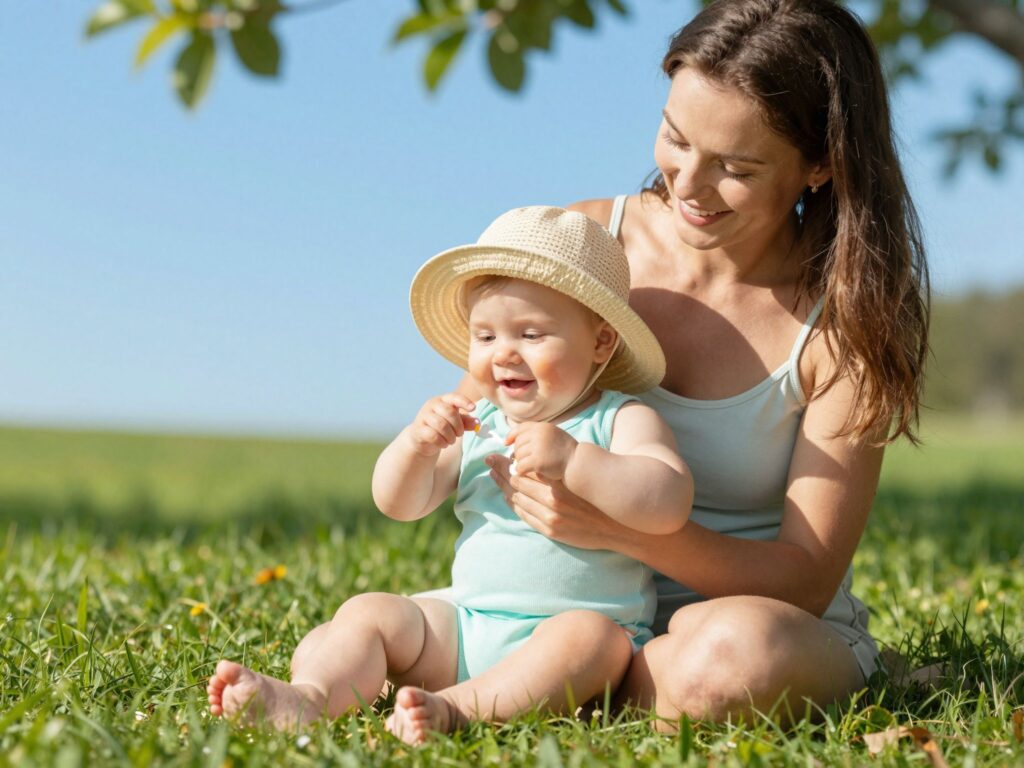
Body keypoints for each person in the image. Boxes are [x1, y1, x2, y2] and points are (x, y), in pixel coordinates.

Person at [458, 0, 929, 726]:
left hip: (751, 625)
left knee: (727, 664)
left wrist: (616, 529)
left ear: (818, 167)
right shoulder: (583, 243)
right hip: (564, 617)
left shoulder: (842, 327)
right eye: (675, 138)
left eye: (734, 167)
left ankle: (598, 683)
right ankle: (584, 675)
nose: (686, 184)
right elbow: (481, 407)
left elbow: (804, 580)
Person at [206, 206, 694, 741]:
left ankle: (456, 709)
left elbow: (668, 502)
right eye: (485, 337)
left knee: (593, 639)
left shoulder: (619, 419)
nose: (504, 353)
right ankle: (310, 697)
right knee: (370, 612)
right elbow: (399, 503)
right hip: (466, 625)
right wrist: (416, 446)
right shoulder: (477, 422)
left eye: (531, 334)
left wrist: (579, 462)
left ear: (600, 342)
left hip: (569, 646)